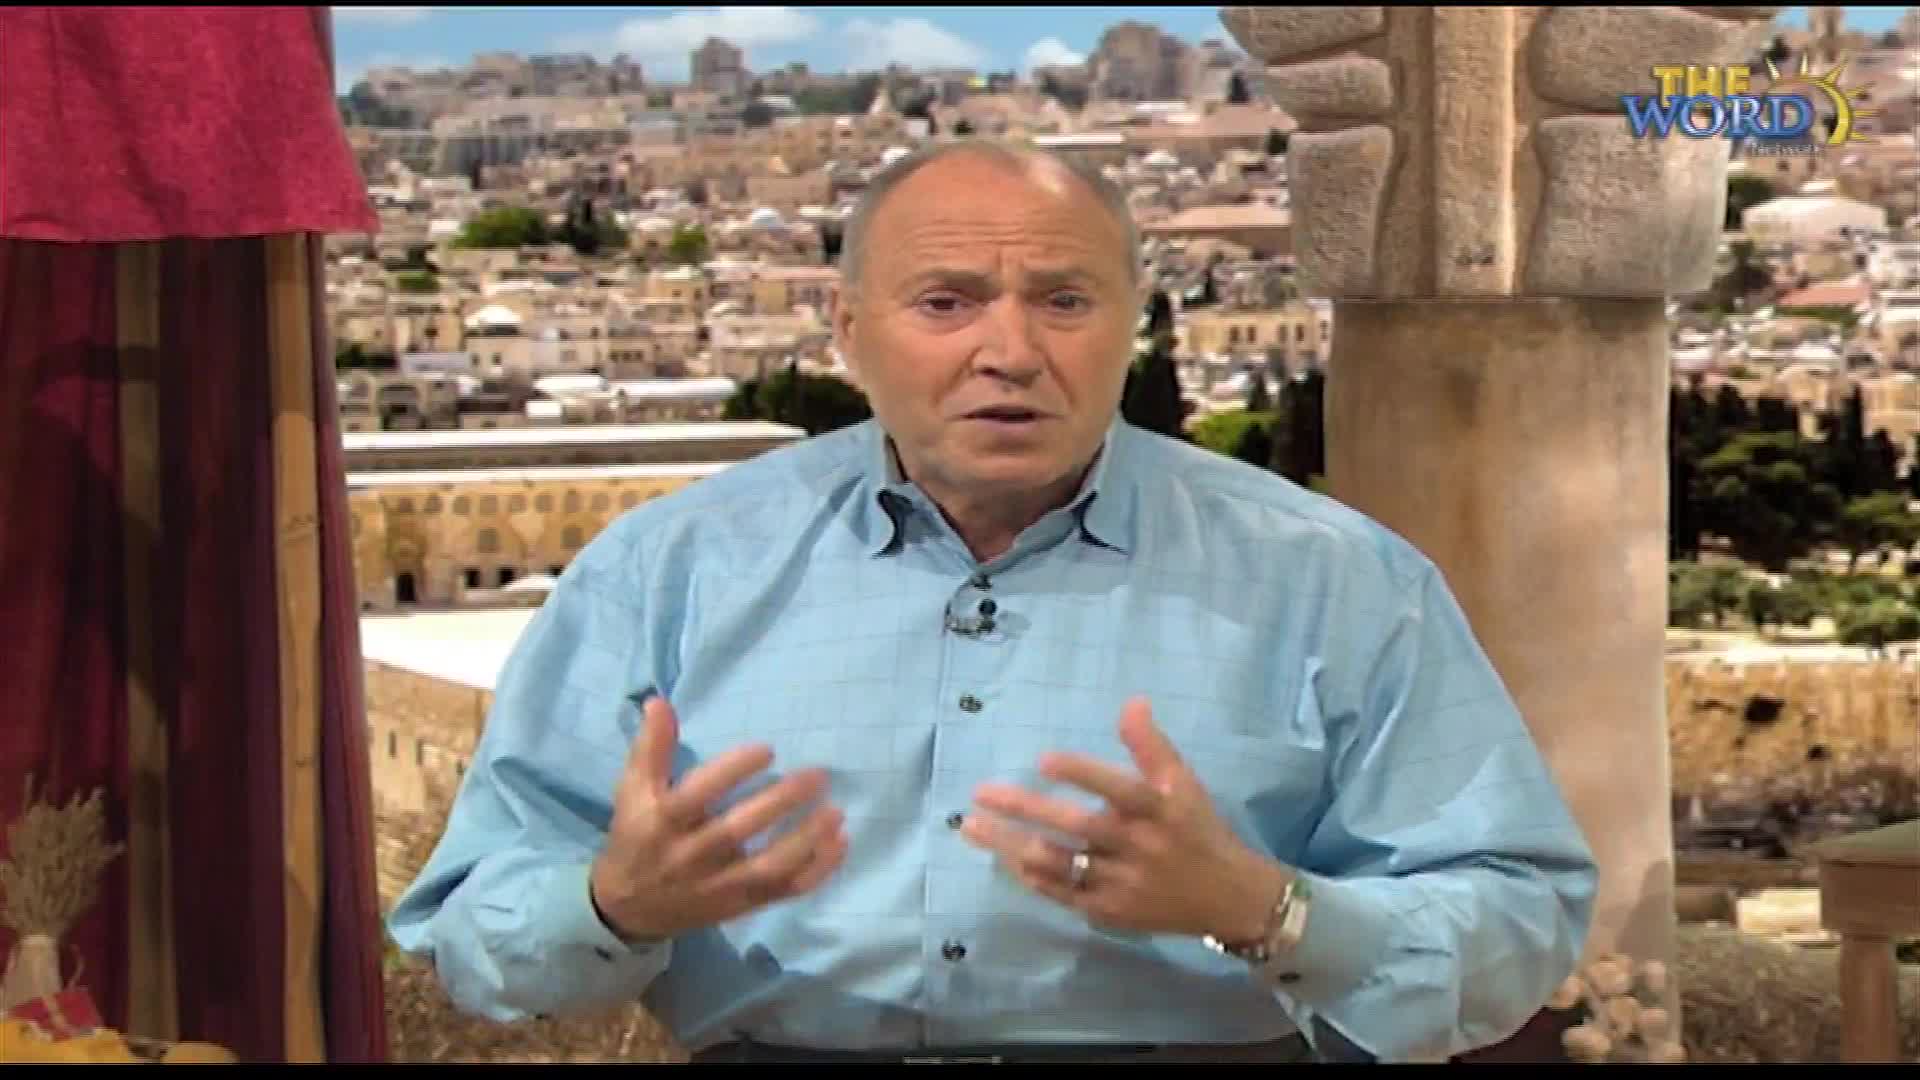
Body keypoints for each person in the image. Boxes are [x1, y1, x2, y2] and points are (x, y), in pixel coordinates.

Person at [385, 140, 1599, 1065]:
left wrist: (1269, 911)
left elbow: (1519, 917)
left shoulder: (1337, 581)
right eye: (946, 302)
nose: (1009, 350)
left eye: (1064, 302)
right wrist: (615, 904)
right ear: (849, 332)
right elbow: (473, 938)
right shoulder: (669, 573)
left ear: (1133, 322)